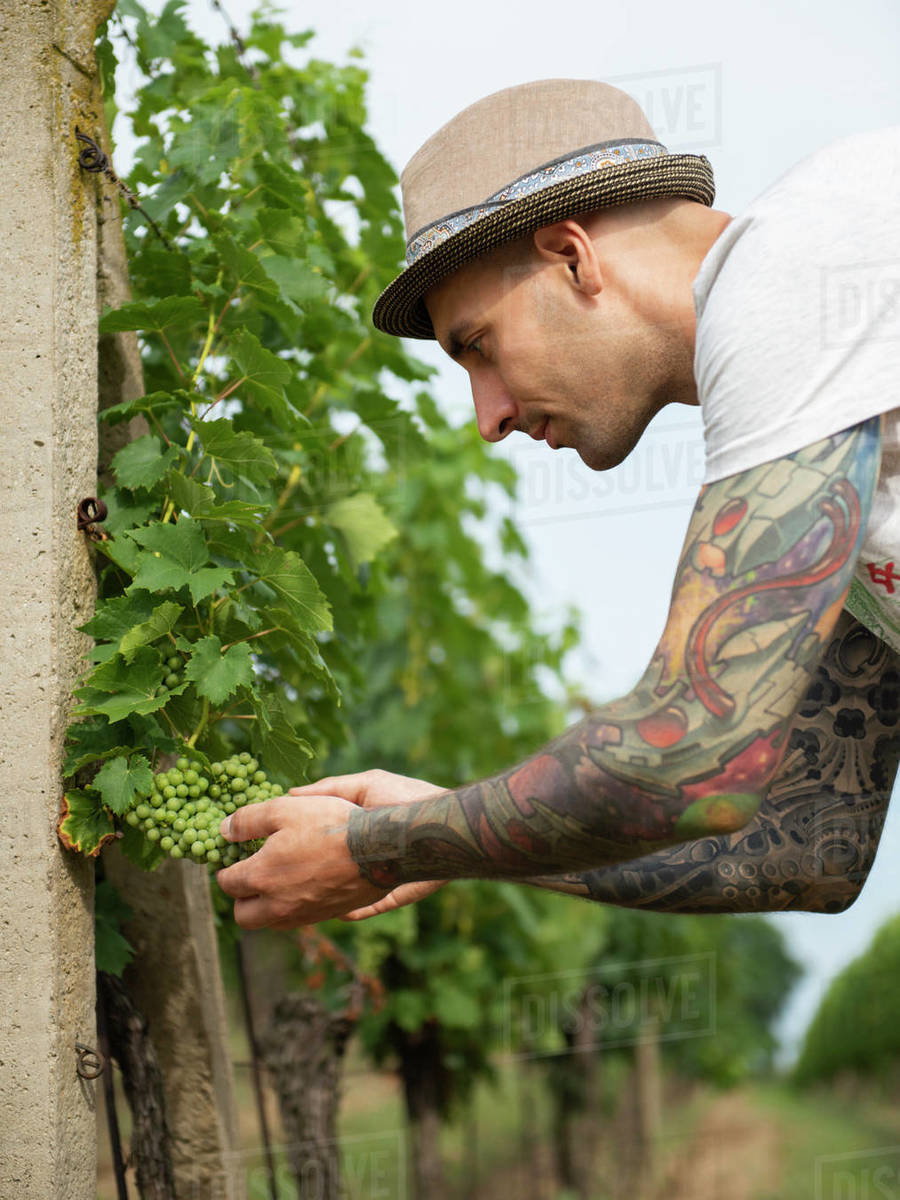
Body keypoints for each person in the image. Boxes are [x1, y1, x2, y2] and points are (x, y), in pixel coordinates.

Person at [216, 79, 900, 930]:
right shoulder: (844, 421)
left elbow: (692, 753)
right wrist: (435, 833)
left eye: (478, 346)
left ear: (571, 254)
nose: (489, 417)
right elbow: (810, 841)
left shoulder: (798, 268)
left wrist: (374, 848)